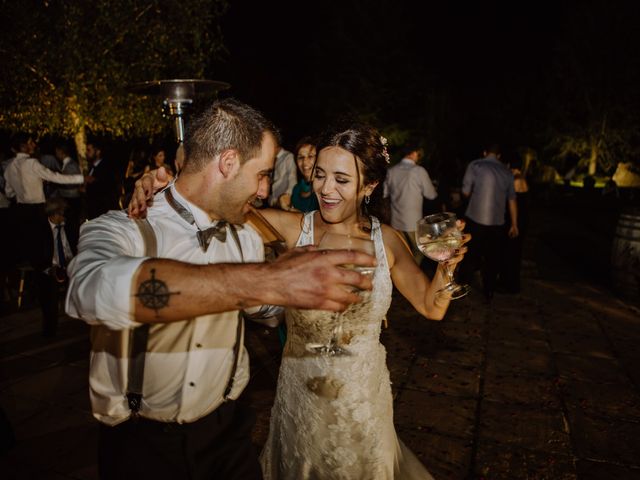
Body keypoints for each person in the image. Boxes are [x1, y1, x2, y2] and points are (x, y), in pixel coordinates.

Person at [67, 99, 376, 480]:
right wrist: (264, 280)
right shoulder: (124, 226)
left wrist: (309, 304)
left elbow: (262, 309)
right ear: (228, 163)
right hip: (144, 446)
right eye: (262, 174)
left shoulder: (246, 233)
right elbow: (90, 291)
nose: (265, 190)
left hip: (230, 435)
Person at [3, 134, 84, 266]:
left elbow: (8, 192)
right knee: (43, 247)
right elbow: (55, 177)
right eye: (31, 142)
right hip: (37, 209)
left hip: (21, 210)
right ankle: (48, 277)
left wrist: (23, 188)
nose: (34, 145)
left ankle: (30, 281)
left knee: (28, 246)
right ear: (23, 146)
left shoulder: (9, 167)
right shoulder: (32, 163)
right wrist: (81, 178)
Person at [459, 143, 518, 301]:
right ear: (499, 156)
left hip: (475, 219)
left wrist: (472, 194)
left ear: (485, 152)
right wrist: (514, 224)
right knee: (493, 257)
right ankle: (489, 290)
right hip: (497, 223)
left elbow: (465, 192)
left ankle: (463, 286)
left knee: (470, 254)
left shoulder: (475, 165)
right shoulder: (506, 171)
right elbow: (512, 199)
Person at [383, 146, 438, 264]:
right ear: (413, 153)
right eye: (418, 155)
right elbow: (431, 195)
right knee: (420, 251)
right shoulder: (419, 171)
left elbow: (384, 193)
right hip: (413, 223)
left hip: (396, 222)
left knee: (402, 253)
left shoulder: (391, 171)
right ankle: (412, 276)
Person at [33, 198, 77, 337]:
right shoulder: (40, 231)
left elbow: (75, 245)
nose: (64, 217)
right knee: (49, 298)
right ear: (53, 215)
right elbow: (35, 257)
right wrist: (49, 269)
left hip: (70, 264)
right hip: (50, 268)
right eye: (61, 214)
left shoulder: (69, 226)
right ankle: (50, 331)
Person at [498, 155, 530, 293]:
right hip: (520, 219)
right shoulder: (522, 178)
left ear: (510, 165)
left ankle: (510, 285)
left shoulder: (516, 180)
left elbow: (514, 204)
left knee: (511, 252)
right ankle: (510, 283)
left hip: (515, 220)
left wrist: (513, 224)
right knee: (513, 251)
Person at [278, 137, 319, 213]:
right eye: (301, 157)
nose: (305, 162)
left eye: (310, 156)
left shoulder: (324, 189)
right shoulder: (296, 189)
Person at [85, 139, 122, 219]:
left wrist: (95, 181)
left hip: (103, 212)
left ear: (98, 152)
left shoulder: (107, 167)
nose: (86, 153)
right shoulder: (92, 167)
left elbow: (110, 185)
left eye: (89, 150)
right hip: (93, 211)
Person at [54, 141, 83, 237]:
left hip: (72, 199)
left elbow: (72, 183)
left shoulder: (71, 165)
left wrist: (57, 182)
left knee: (72, 224)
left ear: (60, 151)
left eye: (56, 151)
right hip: (69, 198)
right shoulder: (66, 164)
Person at [267, 140, 296, 208]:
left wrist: (287, 196)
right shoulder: (272, 159)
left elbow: (293, 179)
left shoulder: (288, 156)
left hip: (284, 202)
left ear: (276, 145)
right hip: (272, 202)